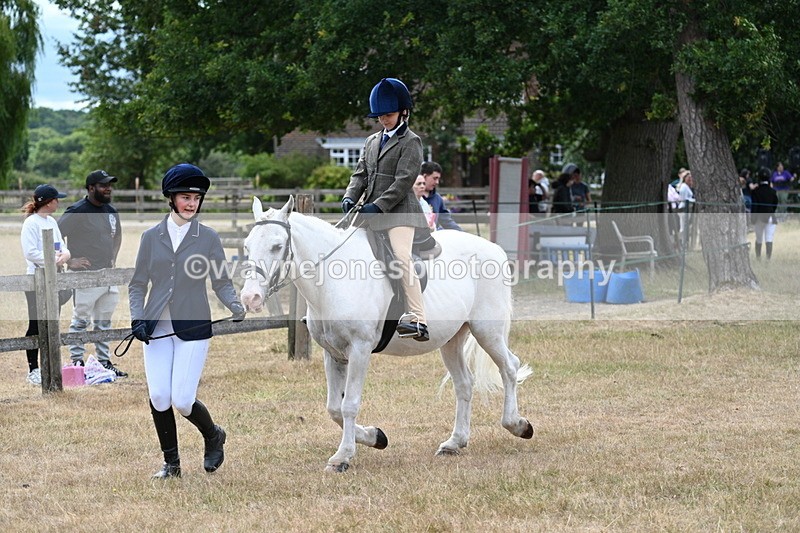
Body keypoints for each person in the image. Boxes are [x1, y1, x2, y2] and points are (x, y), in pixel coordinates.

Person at [128, 163, 246, 479]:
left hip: (192, 327)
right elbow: (138, 283)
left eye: (196, 197)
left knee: (181, 399)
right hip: (156, 328)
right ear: (171, 198)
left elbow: (221, 281)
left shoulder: (207, 237)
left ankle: (213, 435)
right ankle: (172, 465)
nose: (192, 203)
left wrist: (235, 304)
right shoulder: (151, 236)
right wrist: (137, 316)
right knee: (159, 397)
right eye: (185, 197)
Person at [341, 77, 430, 341]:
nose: (384, 120)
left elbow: (403, 181)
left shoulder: (411, 142)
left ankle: (418, 319)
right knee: (342, 248)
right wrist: (349, 196)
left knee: (402, 258)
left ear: (403, 112)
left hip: (400, 213)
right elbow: (360, 174)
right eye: (379, 116)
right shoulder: (371, 141)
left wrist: (378, 206)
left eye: (388, 115)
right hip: (370, 211)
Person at [58, 170, 126, 377]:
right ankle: (77, 363)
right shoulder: (77, 210)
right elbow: (54, 235)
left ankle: (104, 362)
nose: (108, 189)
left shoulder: (111, 211)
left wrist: (113, 257)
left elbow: (117, 236)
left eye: (109, 185)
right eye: (103, 185)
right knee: (81, 321)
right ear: (90, 188)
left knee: (104, 321)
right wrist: (70, 259)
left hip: (108, 275)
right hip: (85, 276)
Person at [20, 184, 71, 385]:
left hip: (54, 278)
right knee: (36, 325)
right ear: (49, 202)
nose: (58, 202)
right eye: (56, 199)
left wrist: (65, 256)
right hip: (36, 280)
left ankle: (51, 364)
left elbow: (63, 247)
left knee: (52, 323)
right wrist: (54, 259)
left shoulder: (52, 221)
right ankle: (33, 368)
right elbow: (31, 253)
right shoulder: (31, 223)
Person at [420, 161, 462, 231]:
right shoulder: (413, 197)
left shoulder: (437, 199)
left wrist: (462, 234)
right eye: (435, 178)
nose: (437, 182)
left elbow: (447, 221)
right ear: (424, 176)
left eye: (438, 179)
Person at [751, 166, 779, 260]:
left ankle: (758, 258)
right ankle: (768, 260)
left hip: (759, 218)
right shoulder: (773, 191)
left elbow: (754, 206)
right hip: (770, 217)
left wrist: (753, 219)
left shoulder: (755, 192)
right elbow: (775, 205)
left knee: (759, 239)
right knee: (769, 239)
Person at [677, 169, 695, 241]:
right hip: (684, 209)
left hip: (688, 209)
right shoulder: (684, 187)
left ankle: (685, 241)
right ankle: (682, 242)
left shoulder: (687, 187)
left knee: (686, 226)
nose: (690, 179)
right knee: (683, 226)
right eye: (688, 178)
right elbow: (684, 199)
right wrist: (694, 200)